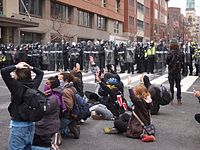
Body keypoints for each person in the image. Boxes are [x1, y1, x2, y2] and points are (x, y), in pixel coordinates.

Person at [1, 62, 44, 150]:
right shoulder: (33, 85)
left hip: (18, 124)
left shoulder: (16, 87)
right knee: (27, 147)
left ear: (18, 74)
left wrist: (16, 66)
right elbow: (40, 73)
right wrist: (30, 67)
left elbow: (4, 71)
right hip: (30, 123)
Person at [32, 76, 64, 149]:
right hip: (53, 122)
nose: (45, 85)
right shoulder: (55, 95)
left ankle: (51, 147)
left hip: (46, 125)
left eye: (47, 84)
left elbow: (42, 110)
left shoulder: (52, 98)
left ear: (52, 86)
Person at [59, 72, 80, 139]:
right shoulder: (71, 87)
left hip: (68, 115)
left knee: (52, 126)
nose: (59, 80)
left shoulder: (66, 91)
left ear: (66, 80)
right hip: (73, 113)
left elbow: (68, 107)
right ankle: (71, 126)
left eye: (60, 78)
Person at [166, 38, 184, 105]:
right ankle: (179, 99)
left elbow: (167, 61)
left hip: (171, 71)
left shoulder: (169, 52)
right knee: (178, 85)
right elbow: (182, 61)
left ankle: (171, 99)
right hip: (178, 71)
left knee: (171, 85)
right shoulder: (180, 52)